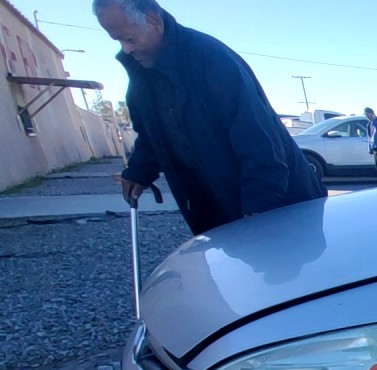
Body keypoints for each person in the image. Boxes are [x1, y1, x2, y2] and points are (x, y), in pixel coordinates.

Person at [94, 0, 326, 235]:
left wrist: (259, 212)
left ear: (154, 21)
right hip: (219, 209)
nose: (126, 49)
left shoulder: (211, 60)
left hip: (281, 206)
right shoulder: (142, 77)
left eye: (130, 39)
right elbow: (153, 134)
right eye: (118, 40)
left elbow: (259, 140)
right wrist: (138, 171)